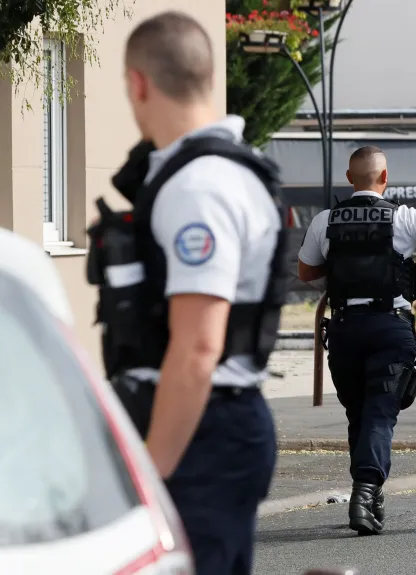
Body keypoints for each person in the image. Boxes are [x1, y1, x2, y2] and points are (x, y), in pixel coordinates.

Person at [87, 11, 284, 574]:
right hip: (210, 426)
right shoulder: (211, 174)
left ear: (138, 84)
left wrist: (151, 474)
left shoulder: (200, 186)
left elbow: (199, 348)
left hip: (199, 432)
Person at [296, 146, 416, 535]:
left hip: (344, 328)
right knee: (379, 413)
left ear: (349, 178)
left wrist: (345, 260)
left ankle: (367, 492)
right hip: (390, 328)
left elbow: (306, 271)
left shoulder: (325, 220)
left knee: (358, 413)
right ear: (385, 178)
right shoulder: (403, 217)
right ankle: (365, 492)